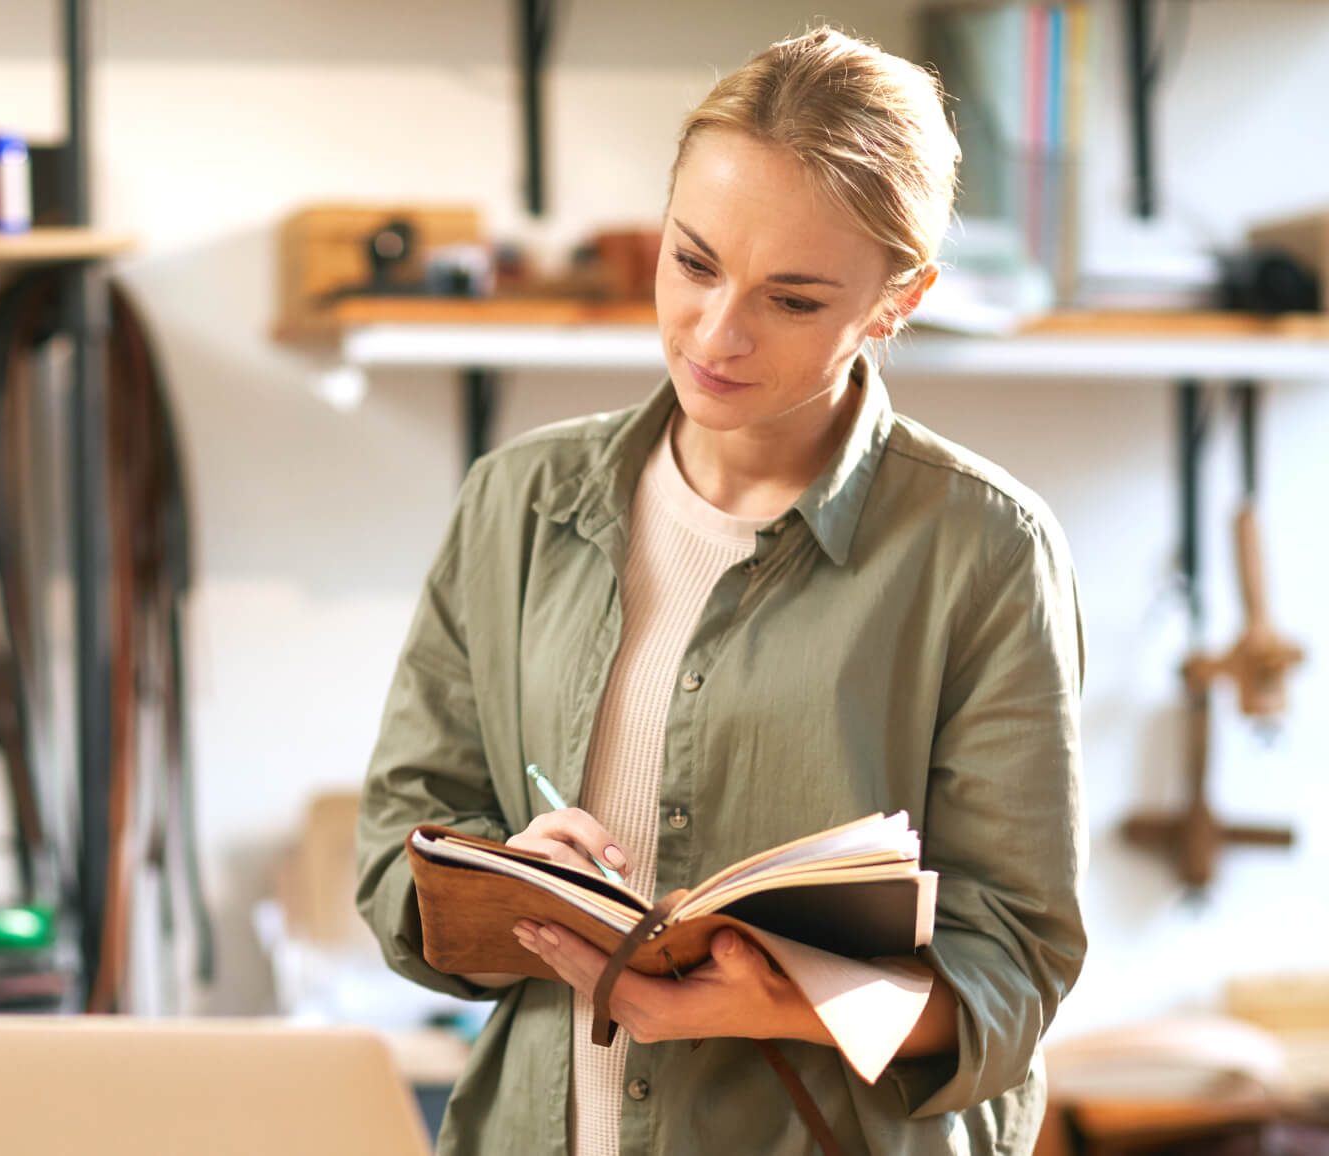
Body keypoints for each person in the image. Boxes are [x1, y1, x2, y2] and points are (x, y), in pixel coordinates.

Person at [354, 25, 1087, 1156]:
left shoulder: (984, 550)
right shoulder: (516, 503)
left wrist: (780, 1002)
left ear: (899, 299)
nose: (717, 332)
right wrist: (510, 881)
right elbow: (400, 848)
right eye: (693, 261)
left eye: (793, 301)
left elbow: (1014, 973)